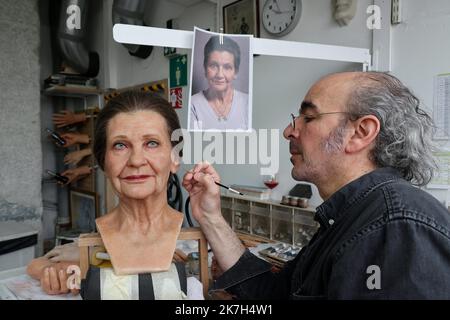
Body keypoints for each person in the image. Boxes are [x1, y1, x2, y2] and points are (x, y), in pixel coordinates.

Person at [183, 71, 450, 299]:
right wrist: (210, 216)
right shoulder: (348, 218)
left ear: (361, 132)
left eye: (309, 118)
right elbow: (273, 293)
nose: (289, 131)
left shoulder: (394, 228)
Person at [28, 91, 198, 299]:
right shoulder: (94, 244)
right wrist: (52, 272)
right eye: (120, 145)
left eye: (151, 143)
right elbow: (36, 264)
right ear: (104, 163)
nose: (136, 160)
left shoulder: (192, 243)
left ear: (174, 159)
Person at [190, 35, 249, 131]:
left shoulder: (247, 103)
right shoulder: (193, 104)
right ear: (205, 69)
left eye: (227, 67)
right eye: (213, 66)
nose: (220, 75)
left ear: (236, 72)